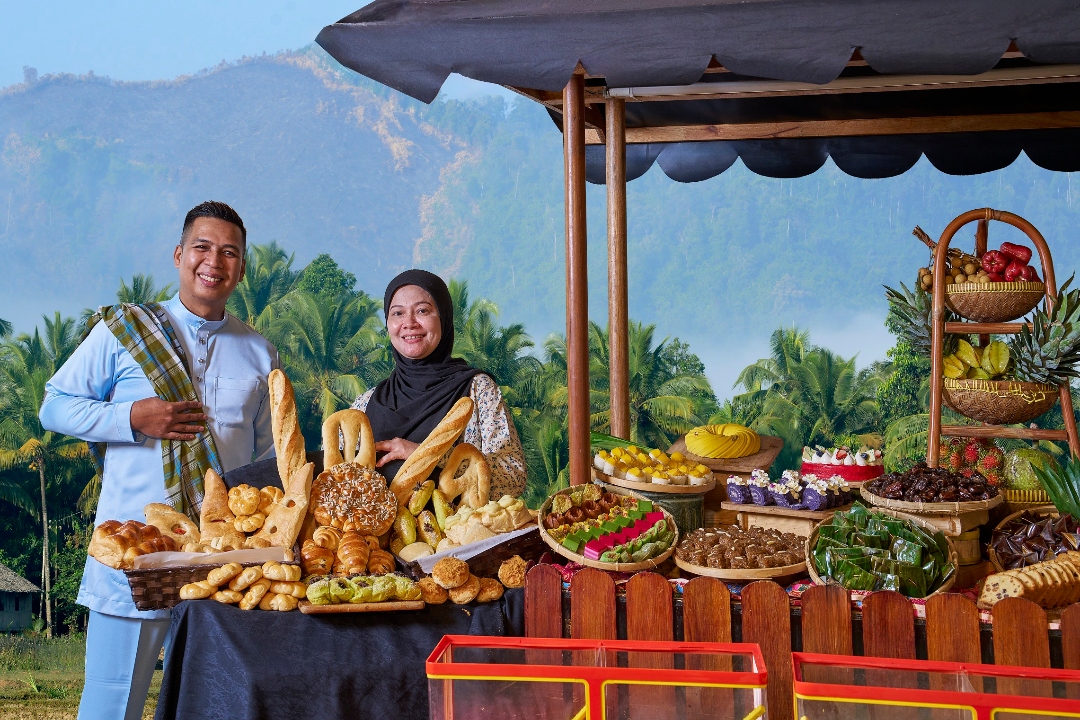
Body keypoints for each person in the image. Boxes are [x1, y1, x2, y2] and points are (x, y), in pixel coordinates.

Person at [39, 201, 279, 720]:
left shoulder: (260, 353)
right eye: (202, 247)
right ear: (178, 255)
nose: (213, 260)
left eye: (229, 252)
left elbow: (268, 462)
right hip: (135, 556)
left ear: (240, 268)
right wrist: (131, 418)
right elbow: (54, 405)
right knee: (111, 706)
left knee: (215, 706)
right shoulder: (125, 331)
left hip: (220, 564)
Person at [352, 269, 526, 498]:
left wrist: (429, 456)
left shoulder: (476, 390)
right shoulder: (364, 405)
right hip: (369, 535)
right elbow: (331, 479)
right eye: (397, 313)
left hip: (458, 532)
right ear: (387, 324)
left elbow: (513, 477)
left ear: (443, 318)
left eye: (422, 310)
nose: (409, 323)